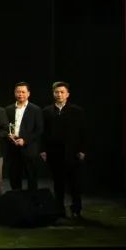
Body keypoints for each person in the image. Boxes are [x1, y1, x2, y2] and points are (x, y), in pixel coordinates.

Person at [42, 81, 88, 218]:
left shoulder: (77, 111)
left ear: (67, 94)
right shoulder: (47, 111)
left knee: (74, 183)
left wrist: (82, 150)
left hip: (72, 153)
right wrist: (43, 150)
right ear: (53, 94)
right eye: (57, 92)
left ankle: (76, 209)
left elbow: (83, 132)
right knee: (58, 183)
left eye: (62, 92)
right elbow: (43, 133)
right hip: (54, 153)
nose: (59, 94)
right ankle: (59, 210)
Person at [5, 82, 44, 191]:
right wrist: (8, 135)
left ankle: (32, 200)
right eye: (18, 92)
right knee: (14, 177)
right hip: (13, 148)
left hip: (29, 149)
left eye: (23, 92)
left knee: (31, 178)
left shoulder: (36, 109)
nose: (20, 94)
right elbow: (5, 127)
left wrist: (25, 140)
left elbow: (39, 130)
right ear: (14, 93)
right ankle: (17, 200)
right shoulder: (8, 109)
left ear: (28, 94)